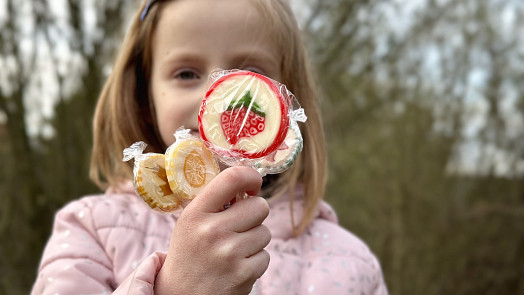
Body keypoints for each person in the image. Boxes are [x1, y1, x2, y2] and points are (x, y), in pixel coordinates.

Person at [31, 0, 388, 294]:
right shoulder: (90, 232)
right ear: (145, 96)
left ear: (286, 102)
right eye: (187, 74)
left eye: (247, 74)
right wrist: (174, 289)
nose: (216, 96)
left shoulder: (348, 262)